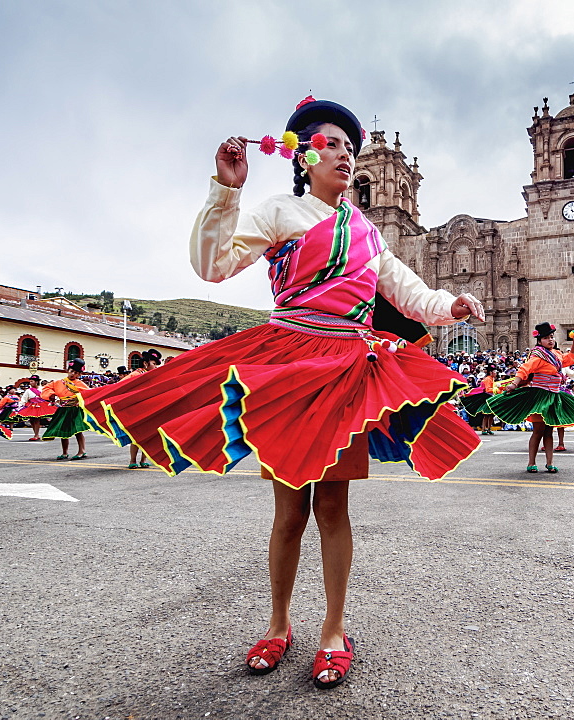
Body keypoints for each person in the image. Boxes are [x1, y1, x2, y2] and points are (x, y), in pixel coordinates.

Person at [79, 97, 484, 689]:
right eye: (331, 144)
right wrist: (226, 189)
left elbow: (407, 291)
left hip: (346, 371)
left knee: (334, 509)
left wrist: (451, 304)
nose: (344, 155)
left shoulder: (369, 232)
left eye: (350, 147)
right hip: (290, 366)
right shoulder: (279, 212)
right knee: (290, 512)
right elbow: (213, 265)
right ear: (302, 153)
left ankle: (334, 630)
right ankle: (277, 624)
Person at [487, 323, 574, 473]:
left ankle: (550, 463)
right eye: (546, 338)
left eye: (551, 337)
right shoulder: (537, 355)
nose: (550, 340)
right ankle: (531, 462)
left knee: (549, 431)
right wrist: (514, 384)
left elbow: (569, 359)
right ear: (539, 340)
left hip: (554, 395)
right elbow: (525, 369)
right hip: (540, 396)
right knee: (538, 431)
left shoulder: (556, 354)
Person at [40, 358, 90, 460]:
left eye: (75, 373)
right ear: (68, 370)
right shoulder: (58, 382)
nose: (72, 374)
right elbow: (46, 388)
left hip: (75, 409)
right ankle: (64, 452)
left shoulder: (80, 384)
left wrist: (78, 398)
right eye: (71, 371)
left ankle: (82, 450)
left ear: (79, 375)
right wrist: (52, 395)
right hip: (63, 409)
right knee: (63, 431)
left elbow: (88, 393)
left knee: (78, 430)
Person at [124, 349, 162, 468]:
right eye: (153, 364)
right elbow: (123, 386)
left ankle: (143, 459)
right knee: (136, 436)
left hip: (150, 408)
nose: (155, 367)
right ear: (145, 363)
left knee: (148, 435)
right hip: (137, 409)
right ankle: (133, 460)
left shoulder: (153, 376)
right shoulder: (135, 374)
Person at [13, 375, 55, 441]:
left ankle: (36, 435)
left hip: (40, 405)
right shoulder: (28, 390)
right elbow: (24, 398)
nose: (30, 383)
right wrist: (20, 406)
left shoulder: (42, 389)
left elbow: (48, 396)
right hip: (31, 405)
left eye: (32, 381)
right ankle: (36, 433)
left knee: (37, 419)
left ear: (36, 382)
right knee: (32, 420)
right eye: (30, 381)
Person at [459, 366, 497, 435]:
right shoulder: (488, 379)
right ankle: (483, 429)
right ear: (491, 372)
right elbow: (487, 389)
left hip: (491, 397)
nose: (496, 373)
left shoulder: (492, 379)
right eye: (494, 372)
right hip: (487, 398)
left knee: (491, 414)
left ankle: (488, 428)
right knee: (486, 414)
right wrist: (496, 389)